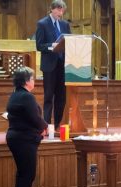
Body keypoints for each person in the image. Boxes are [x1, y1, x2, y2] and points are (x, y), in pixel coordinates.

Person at [6, 67, 48, 187]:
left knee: (23, 174)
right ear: (26, 81)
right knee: (28, 174)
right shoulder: (27, 97)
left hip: (15, 137)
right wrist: (45, 128)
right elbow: (34, 118)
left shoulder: (15, 95)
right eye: (32, 78)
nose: (34, 81)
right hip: (24, 139)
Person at [35, 0, 71, 131]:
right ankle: (46, 126)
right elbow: (39, 46)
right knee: (49, 97)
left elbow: (70, 42)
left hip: (63, 65)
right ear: (52, 9)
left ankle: (56, 126)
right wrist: (52, 46)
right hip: (50, 66)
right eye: (58, 10)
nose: (60, 13)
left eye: (62, 11)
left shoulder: (65, 24)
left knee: (61, 98)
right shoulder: (42, 23)